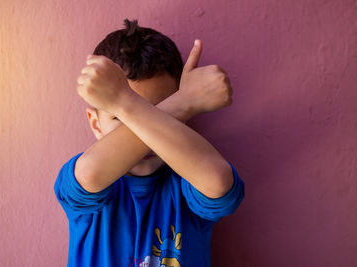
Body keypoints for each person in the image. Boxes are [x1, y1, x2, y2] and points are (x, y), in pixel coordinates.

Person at [54, 18, 245, 267]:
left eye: (155, 113)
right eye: (119, 117)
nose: (143, 130)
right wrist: (184, 102)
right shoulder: (90, 184)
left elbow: (219, 182)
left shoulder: (187, 183)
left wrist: (122, 103)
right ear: (95, 123)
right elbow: (90, 172)